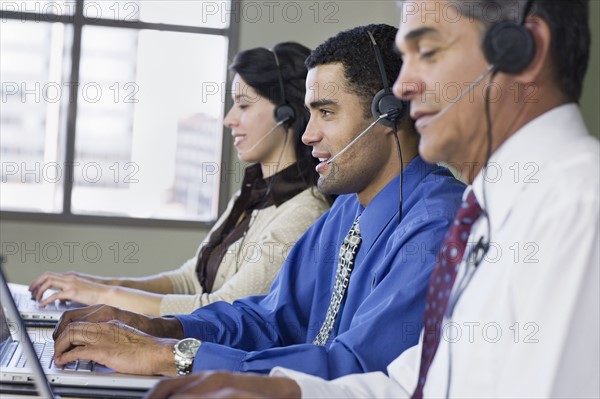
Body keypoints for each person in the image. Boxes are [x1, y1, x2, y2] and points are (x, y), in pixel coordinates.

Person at [145, 0, 600, 397]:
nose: (401, 88)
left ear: (522, 49)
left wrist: (178, 357)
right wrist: (254, 382)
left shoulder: (578, 207)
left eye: (428, 52)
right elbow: (408, 383)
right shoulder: (489, 215)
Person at [52, 24, 465, 380]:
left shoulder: (434, 226)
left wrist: (170, 356)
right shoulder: (344, 212)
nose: (307, 135)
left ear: (388, 114)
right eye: (309, 113)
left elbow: (354, 368)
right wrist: (155, 328)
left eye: (326, 112)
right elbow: (270, 319)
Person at [28, 42, 332, 317]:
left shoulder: (303, 213)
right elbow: (190, 280)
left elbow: (223, 309)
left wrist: (104, 295)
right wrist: (97, 285)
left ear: (286, 114)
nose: (229, 119)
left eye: (243, 105)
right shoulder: (254, 194)